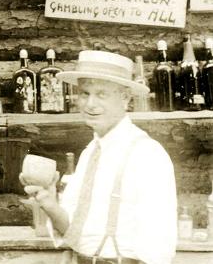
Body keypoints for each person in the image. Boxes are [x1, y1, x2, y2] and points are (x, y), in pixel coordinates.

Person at [20, 50, 177, 264]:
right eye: (85, 93)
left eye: (101, 94)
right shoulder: (90, 153)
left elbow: (160, 248)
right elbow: (75, 233)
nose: (90, 103)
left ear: (125, 98)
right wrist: (49, 202)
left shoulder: (146, 154)